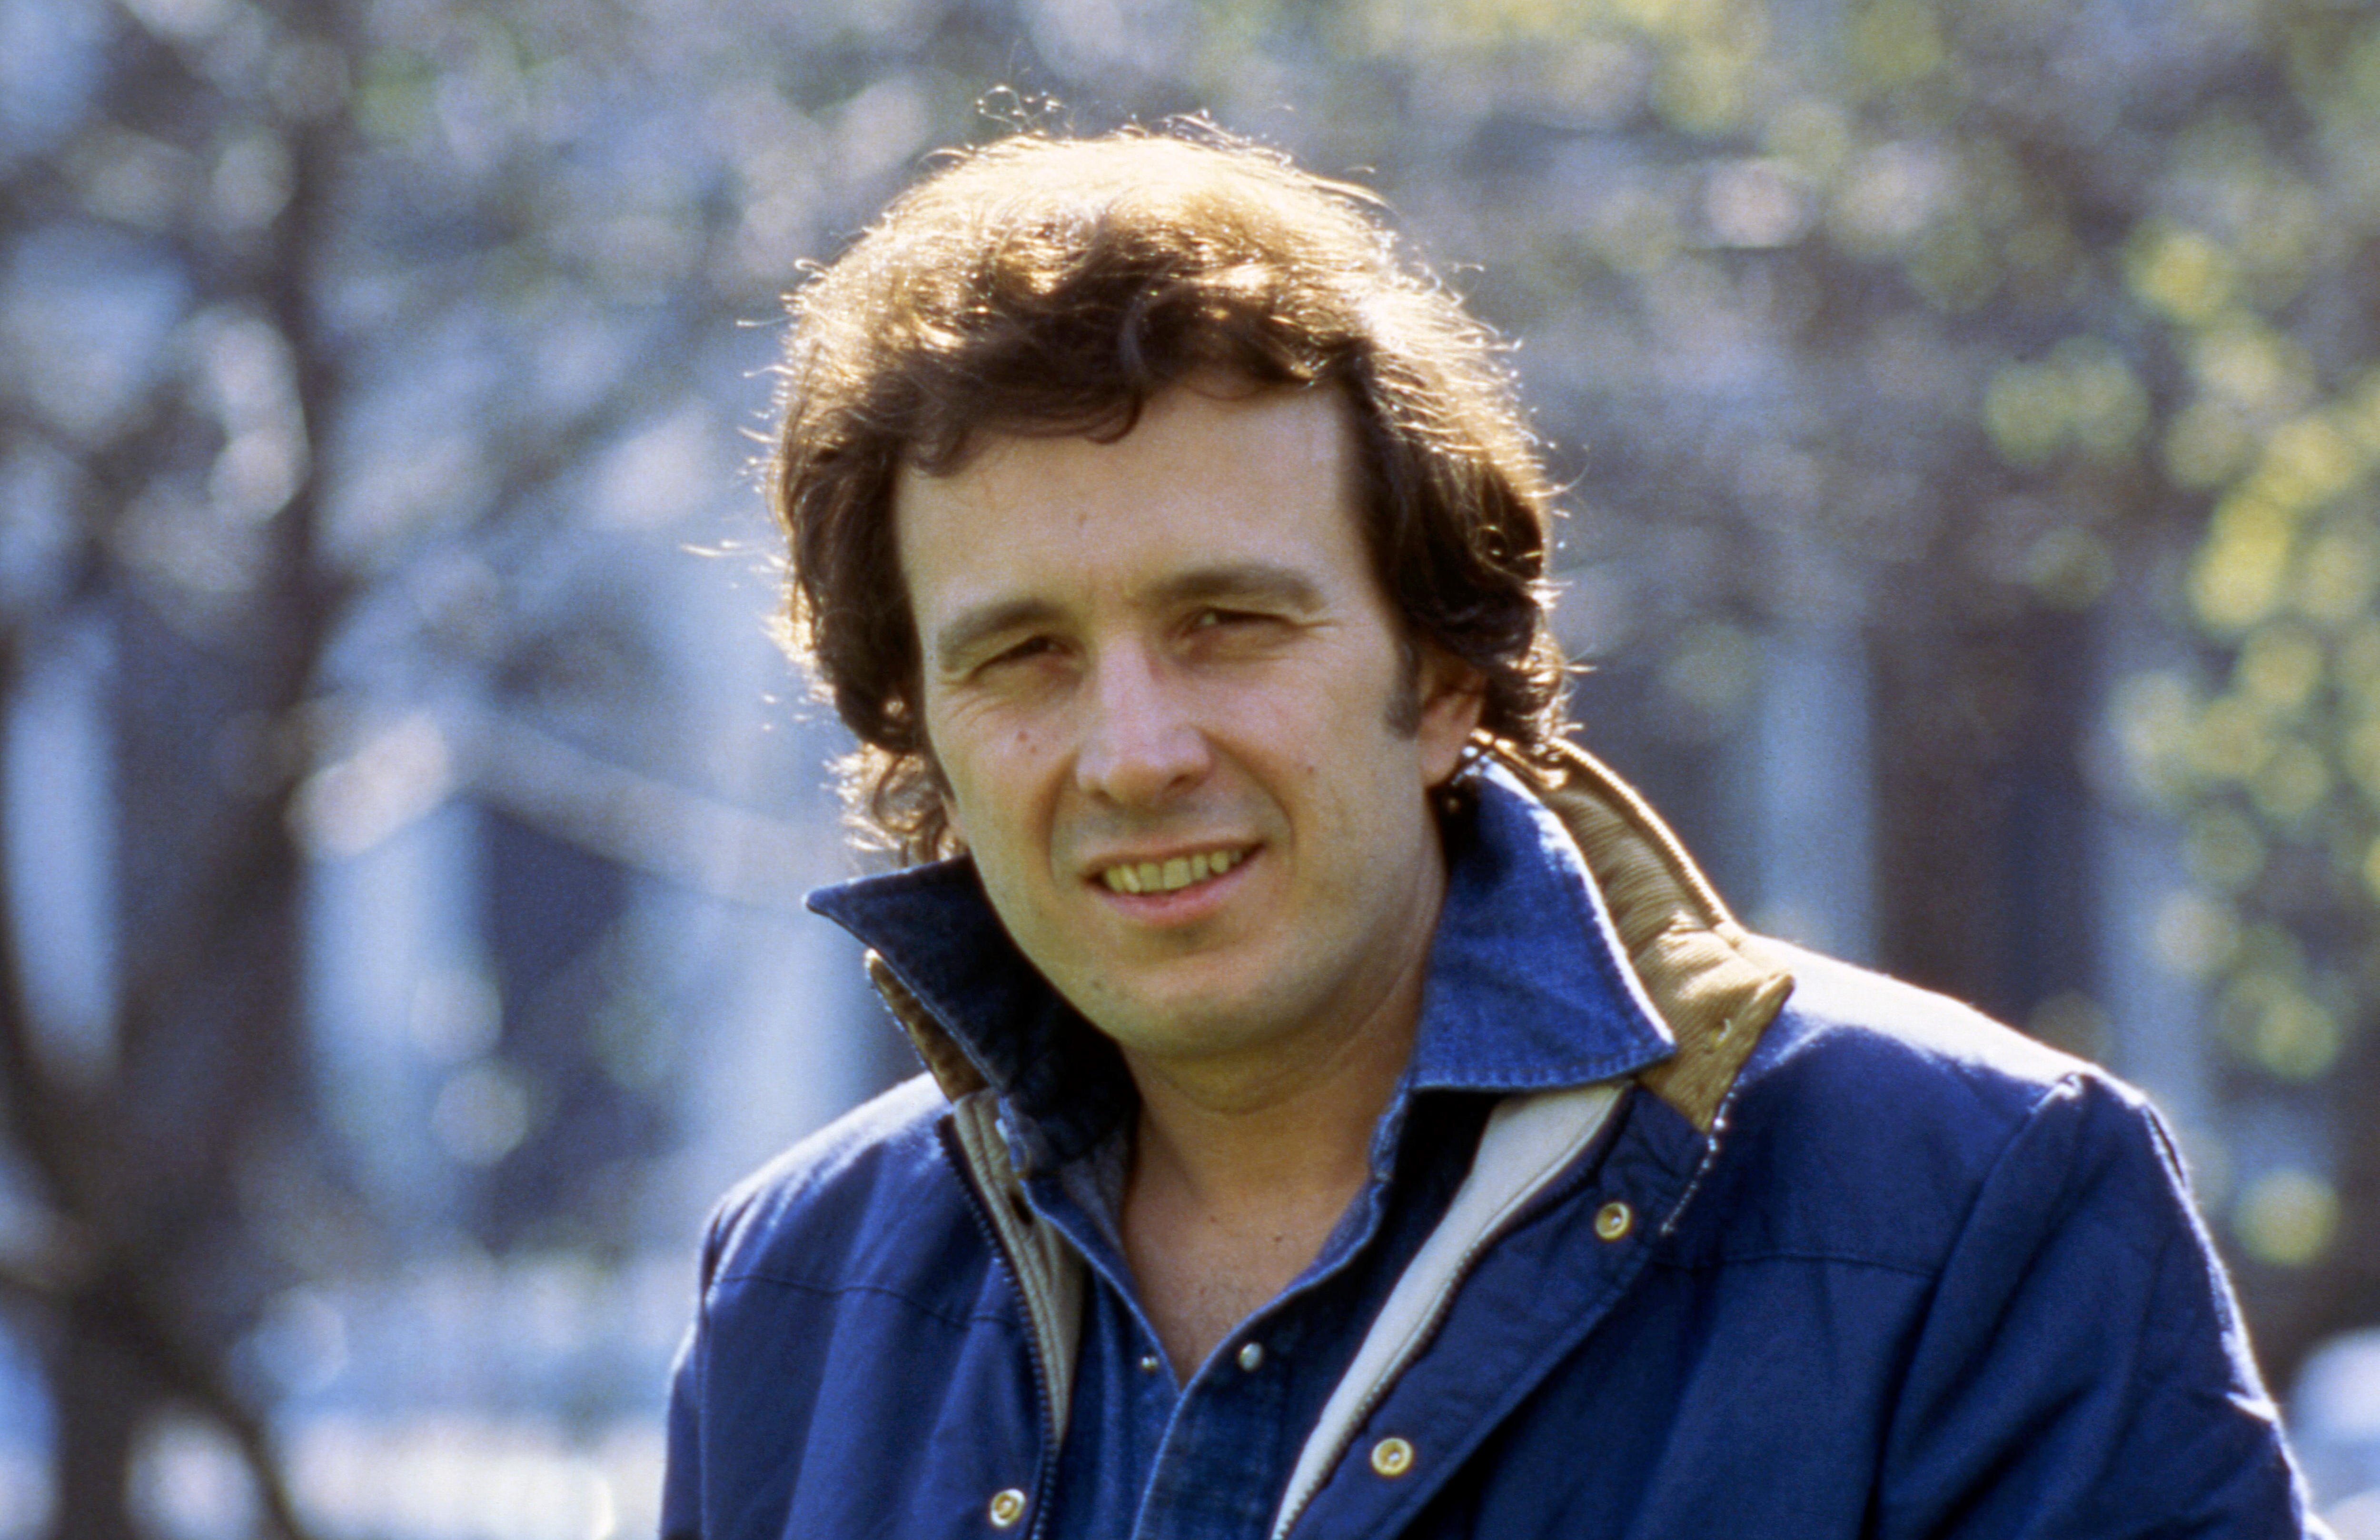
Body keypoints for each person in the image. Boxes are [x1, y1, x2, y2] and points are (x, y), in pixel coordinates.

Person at [661, 125, 2320, 1540]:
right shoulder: (797, 1289)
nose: (1138, 750)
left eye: (1229, 621)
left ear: (1448, 670)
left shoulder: (1978, 1204)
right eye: (1022, 654)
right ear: (922, 732)